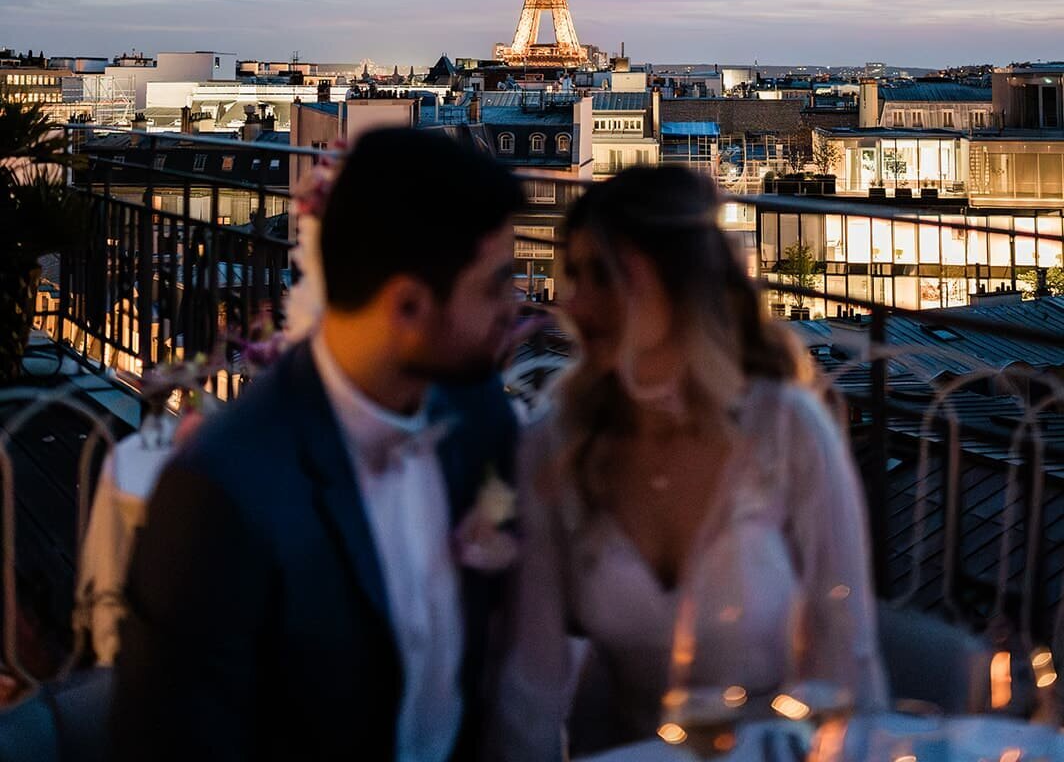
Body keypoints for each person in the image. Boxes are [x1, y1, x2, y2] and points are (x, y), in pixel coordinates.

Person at [112, 126, 525, 762]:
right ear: (409, 306)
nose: (516, 306)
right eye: (496, 285)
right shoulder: (220, 495)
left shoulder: (479, 415)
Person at [493, 166, 885, 760]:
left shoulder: (788, 430)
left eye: (602, 274)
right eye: (573, 275)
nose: (572, 301)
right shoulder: (556, 444)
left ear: (678, 283)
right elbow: (530, 681)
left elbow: (846, 657)